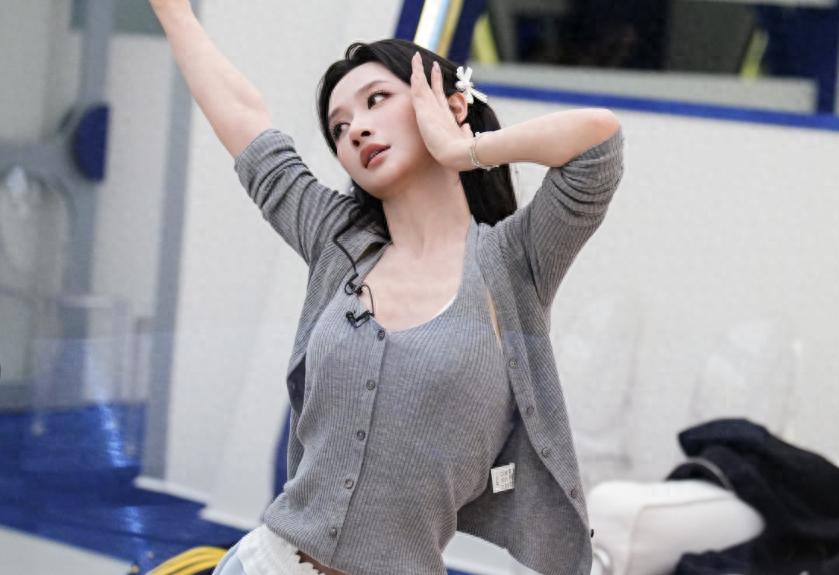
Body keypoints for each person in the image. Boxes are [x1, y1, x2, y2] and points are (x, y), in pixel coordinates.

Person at [151, 1, 624, 574]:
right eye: (339, 128)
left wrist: (462, 149)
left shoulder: (514, 261)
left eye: (376, 100)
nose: (356, 130)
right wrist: (173, 11)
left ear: (450, 104)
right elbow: (244, 119)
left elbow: (598, 141)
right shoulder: (338, 241)